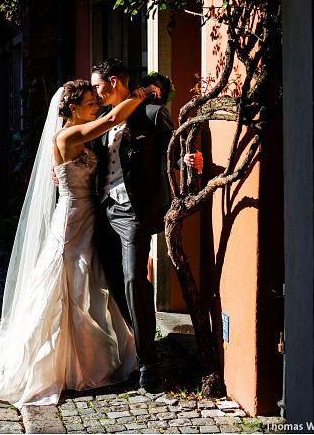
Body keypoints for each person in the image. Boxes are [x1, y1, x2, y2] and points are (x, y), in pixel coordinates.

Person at [0, 80, 160, 407]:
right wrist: (138, 96)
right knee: (66, 284)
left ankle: (89, 354)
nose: (95, 107)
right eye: (88, 104)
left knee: (87, 284)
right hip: (71, 220)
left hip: (88, 217)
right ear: (71, 109)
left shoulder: (84, 135)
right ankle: (62, 362)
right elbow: (111, 121)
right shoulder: (68, 136)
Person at [89, 59, 203, 392]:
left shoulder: (151, 114)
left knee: (133, 279)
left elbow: (175, 150)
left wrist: (189, 160)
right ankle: (123, 350)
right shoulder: (100, 119)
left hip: (133, 213)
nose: (95, 94)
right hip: (102, 211)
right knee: (107, 280)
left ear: (113, 82)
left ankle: (148, 365)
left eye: (98, 86)